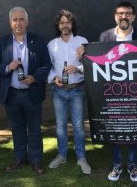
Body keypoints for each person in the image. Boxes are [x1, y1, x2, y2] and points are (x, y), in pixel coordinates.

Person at [98, 1, 137, 182]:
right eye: (120, 13)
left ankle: (133, 166)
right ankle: (117, 164)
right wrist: (83, 56)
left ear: (133, 16)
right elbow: (99, 63)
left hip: (135, 93)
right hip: (114, 92)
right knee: (116, 130)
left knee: (133, 130)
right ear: (115, 16)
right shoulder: (105, 37)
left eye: (127, 13)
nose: (123, 16)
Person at [0, 7, 51, 174]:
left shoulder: (37, 40)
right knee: (17, 129)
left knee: (35, 129)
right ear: (10, 23)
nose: (18, 23)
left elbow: (46, 64)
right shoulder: (2, 42)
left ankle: (36, 160)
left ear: (27, 22)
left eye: (21, 19)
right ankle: (19, 158)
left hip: (32, 93)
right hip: (12, 94)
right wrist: (8, 67)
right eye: (15, 20)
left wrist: (34, 77)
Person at [47, 10, 91, 174]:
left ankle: (81, 158)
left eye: (68, 22)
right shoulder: (52, 44)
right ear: (58, 26)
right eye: (62, 23)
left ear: (72, 24)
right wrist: (53, 78)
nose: (65, 25)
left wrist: (77, 68)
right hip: (58, 90)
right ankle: (62, 155)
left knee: (79, 126)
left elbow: (89, 66)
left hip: (77, 89)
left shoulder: (82, 42)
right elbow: (48, 67)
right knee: (60, 126)